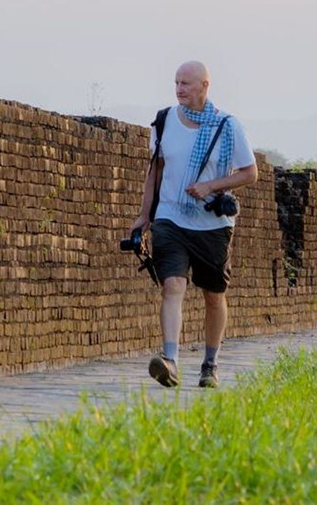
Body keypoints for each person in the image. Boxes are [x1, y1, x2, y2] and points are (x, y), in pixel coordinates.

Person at [130, 61, 257, 389]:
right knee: (172, 285)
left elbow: (249, 172)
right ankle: (170, 360)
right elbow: (154, 172)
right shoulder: (163, 122)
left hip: (212, 224)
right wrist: (144, 216)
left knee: (214, 294)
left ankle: (210, 363)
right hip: (170, 217)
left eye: (186, 83)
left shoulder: (227, 126)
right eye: (176, 83)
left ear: (204, 86)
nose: (179, 89)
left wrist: (210, 187)